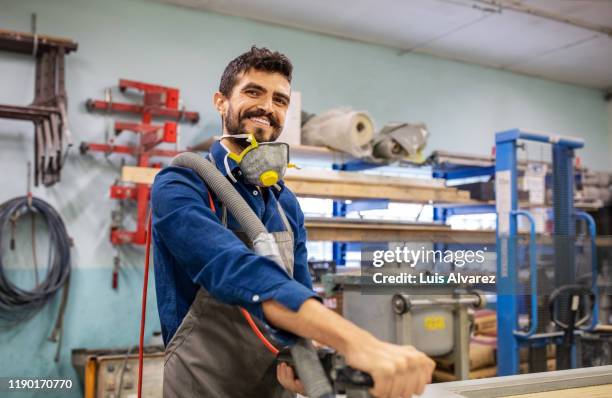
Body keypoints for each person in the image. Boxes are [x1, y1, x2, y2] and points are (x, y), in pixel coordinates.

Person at [151, 46, 435, 398]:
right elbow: (230, 267)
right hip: (203, 387)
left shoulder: (285, 203)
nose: (267, 107)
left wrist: (307, 360)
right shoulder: (181, 183)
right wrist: (357, 341)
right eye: (253, 92)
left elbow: (298, 291)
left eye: (280, 100)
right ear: (221, 102)